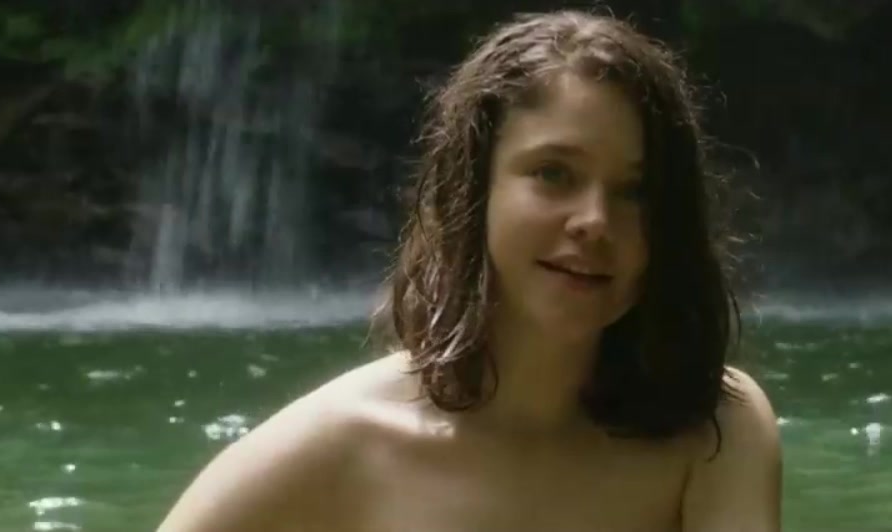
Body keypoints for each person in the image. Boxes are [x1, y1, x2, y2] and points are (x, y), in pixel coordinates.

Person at [158, 9, 781, 532]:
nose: (594, 220)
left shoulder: (714, 429)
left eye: (634, 191)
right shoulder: (345, 440)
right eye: (554, 174)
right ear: (475, 189)